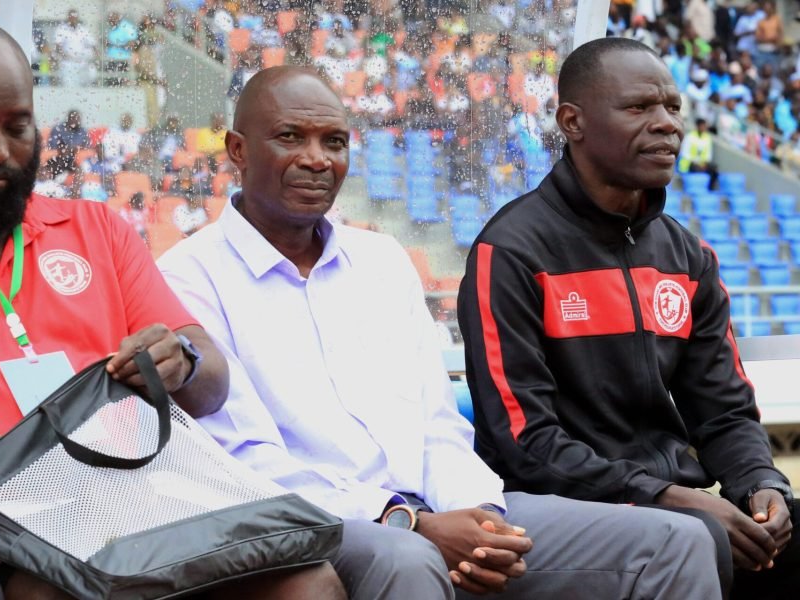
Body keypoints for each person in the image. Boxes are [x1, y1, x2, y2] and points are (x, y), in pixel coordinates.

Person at [0, 21, 343, 599]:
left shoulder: (96, 229)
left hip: (131, 505)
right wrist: (57, 459)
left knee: (307, 582)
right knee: (53, 590)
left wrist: (178, 361)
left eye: (17, 127)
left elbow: (209, 381)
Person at [158, 64, 723, 600]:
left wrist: (480, 517)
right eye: (290, 137)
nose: (317, 160)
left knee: (677, 542)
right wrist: (407, 520)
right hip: (328, 524)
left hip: (439, 505)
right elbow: (246, 461)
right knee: (407, 558)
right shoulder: (188, 277)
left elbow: (436, 423)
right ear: (238, 150)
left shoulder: (381, 261)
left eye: (334, 142)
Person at [457, 37, 797, 600]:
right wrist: (664, 496)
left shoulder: (689, 258)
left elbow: (725, 413)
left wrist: (762, 485)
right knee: (697, 534)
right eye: (640, 108)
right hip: (562, 507)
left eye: (671, 108)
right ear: (573, 121)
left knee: (780, 532)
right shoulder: (512, 251)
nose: (667, 124)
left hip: (673, 500)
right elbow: (525, 443)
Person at [52, 8, 97, 87]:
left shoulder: (83, 29)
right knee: (69, 86)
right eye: (71, 17)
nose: (73, 19)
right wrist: (66, 56)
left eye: (75, 17)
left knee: (88, 82)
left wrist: (95, 56)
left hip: (82, 63)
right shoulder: (61, 29)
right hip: (68, 63)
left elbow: (93, 44)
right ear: (68, 17)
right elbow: (58, 46)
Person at [680, 118, 719, 190]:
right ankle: (696, 190)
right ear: (697, 126)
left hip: (702, 164)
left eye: (705, 126)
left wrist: (704, 163)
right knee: (696, 169)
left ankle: (709, 189)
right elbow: (684, 153)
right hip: (690, 163)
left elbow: (708, 155)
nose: (704, 128)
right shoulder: (689, 136)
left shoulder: (707, 137)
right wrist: (696, 162)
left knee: (714, 169)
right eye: (702, 126)